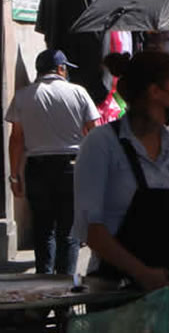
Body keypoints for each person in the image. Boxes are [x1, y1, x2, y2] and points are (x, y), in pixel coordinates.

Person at [73, 50, 169, 290]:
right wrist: (143, 274)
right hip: (116, 293)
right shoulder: (101, 145)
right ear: (154, 92)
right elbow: (90, 229)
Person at [5, 49, 99, 275]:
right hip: (72, 167)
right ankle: (65, 292)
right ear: (60, 69)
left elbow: (16, 139)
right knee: (69, 230)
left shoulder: (23, 96)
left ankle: (44, 285)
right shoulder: (78, 92)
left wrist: (15, 176)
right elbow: (94, 133)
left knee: (43, 227)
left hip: (37, 168)